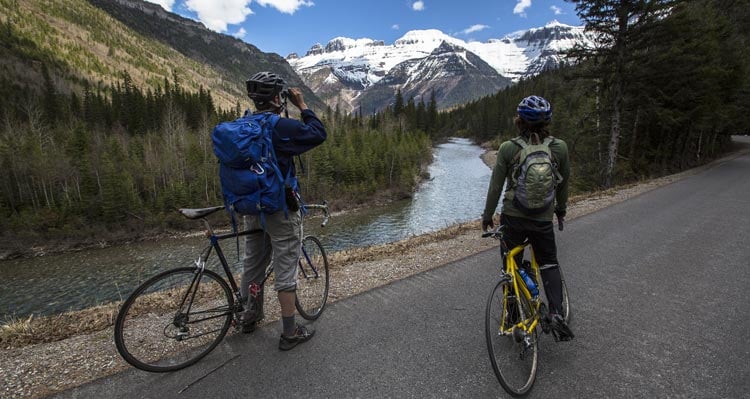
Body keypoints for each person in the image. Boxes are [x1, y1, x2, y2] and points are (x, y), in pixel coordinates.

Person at [239, 71, 327, 350]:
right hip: (280, 208)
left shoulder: (243, 124)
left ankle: (249, 316)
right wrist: (302, 105)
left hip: (252, 207)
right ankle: (290, 333)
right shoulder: (280, 126)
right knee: (285, 269)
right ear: (278, 97)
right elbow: (318, 133)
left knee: (252, 265)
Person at [481, 95, 574, 341]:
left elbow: (495, 187)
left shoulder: (508, 148)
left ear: (519, 121)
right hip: (542, 219)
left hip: (513, 217)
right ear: (548, 123)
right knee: (549, 264)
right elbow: (563, 184)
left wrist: (487, 216)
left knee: (509, 267)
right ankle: (555, 314)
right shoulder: (559, 148)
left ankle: (513, 318)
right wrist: (560, 209)